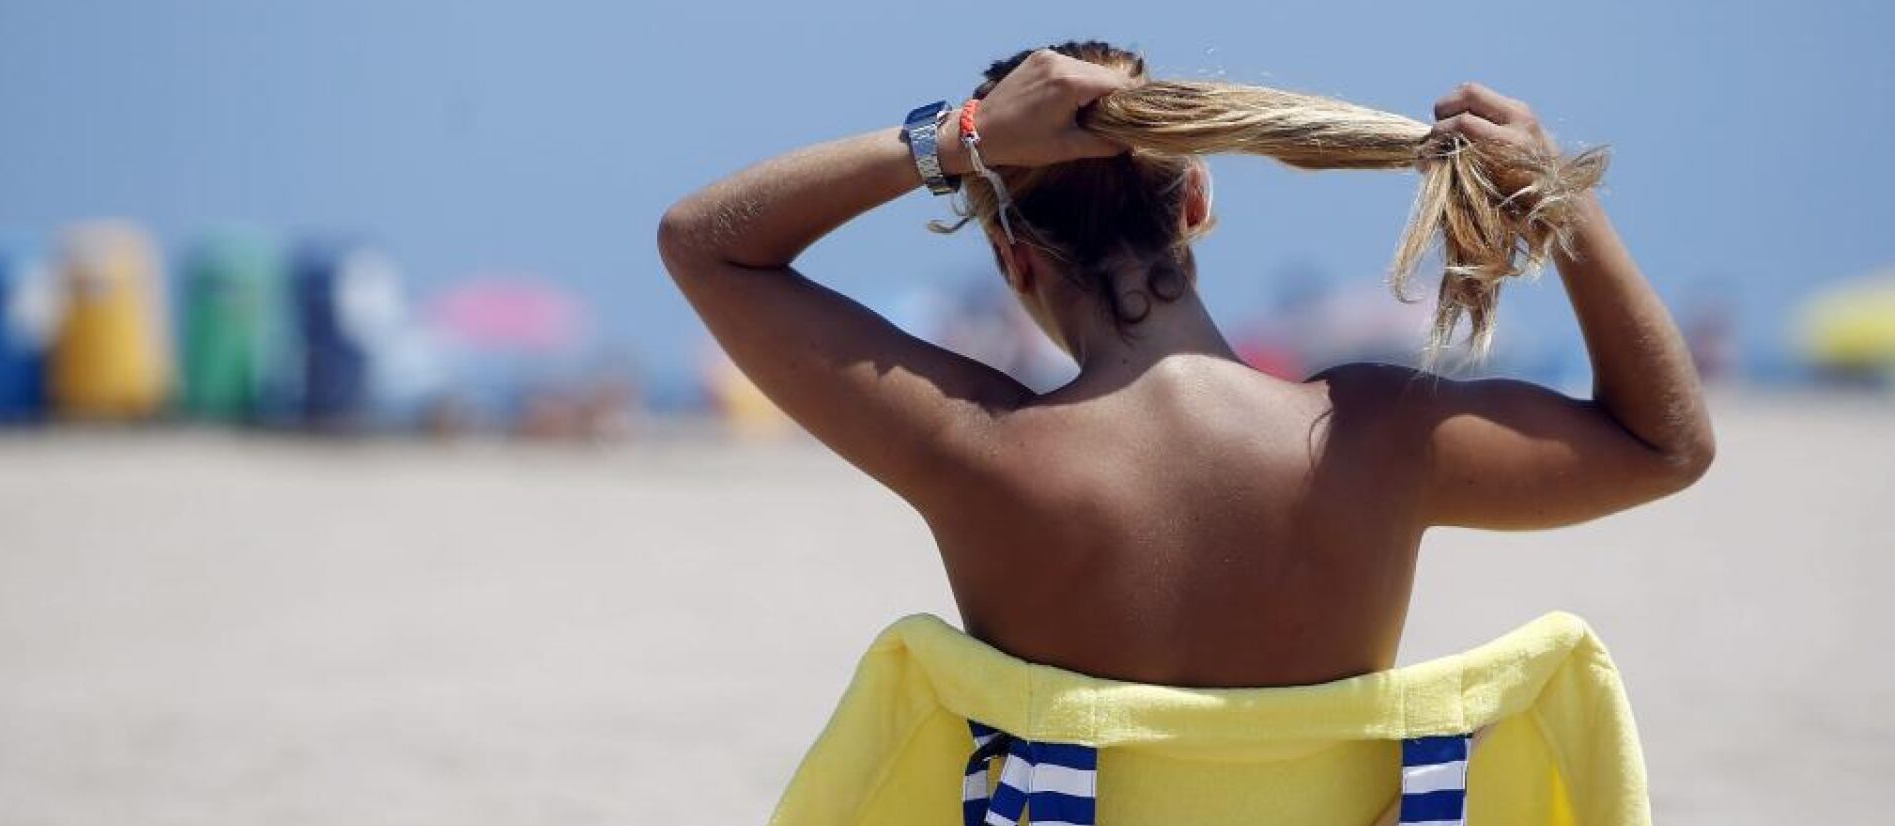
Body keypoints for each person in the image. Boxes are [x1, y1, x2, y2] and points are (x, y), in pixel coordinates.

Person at [657, 40, 1714, 687]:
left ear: (1011, 258)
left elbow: (704, 242)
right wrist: (1556, 197)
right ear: (1199, 203)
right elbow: (1666, 444)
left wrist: (958, 138)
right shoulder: (1376, 434)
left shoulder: (975, 453)